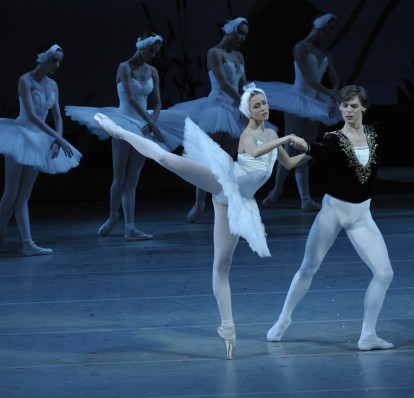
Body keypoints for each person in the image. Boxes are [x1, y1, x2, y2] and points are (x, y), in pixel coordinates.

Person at [92, 82, 310, 359]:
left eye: (264, 103)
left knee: (222, 267)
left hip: (234, 201)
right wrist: (288, 137)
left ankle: (228, 329)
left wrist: (317, 149)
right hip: (224, 179)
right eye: (256, 106)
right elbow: (255, 152)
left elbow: (289, 164)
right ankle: (120, 131)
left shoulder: (272, 134)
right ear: (248, 111)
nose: (263, 108)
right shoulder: (248, 136)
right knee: (166, 158)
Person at [267, 68, 414, 350]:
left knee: (385, 273)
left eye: (353, 105)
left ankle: (367, 335)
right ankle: (283, 319)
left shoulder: (376, 134)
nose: (347, 110)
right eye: (343, 105)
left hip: (361, 215)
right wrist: (292, 143)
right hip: (333, 212)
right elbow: (307, 155)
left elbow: (409, 109)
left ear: (364, 108)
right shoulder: (332, 139)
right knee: (309, 267)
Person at [65, 33, 182, 241]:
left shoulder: (153, 71)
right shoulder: (124, 67)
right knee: (119, 177)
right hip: (124, 122)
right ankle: (112, 216)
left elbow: (157, 103)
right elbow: (130, 99)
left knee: (133, 178)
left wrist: (151, 121)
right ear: (141, 47)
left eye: (156, 52)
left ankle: (130, 228)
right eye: (151, 51)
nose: (154, 56)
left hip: (144, 125)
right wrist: (152, 123)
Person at [164, 17, 250, 223]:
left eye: (245, 34)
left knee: (228, 160)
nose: (243, 38)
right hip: (214, 108)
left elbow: (243, 85)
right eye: (240, 33)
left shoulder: (239, 56)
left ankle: (224, 203)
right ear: (229, 31)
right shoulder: (214, 53)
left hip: (233, 110)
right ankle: (199, 202)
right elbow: (223, 83)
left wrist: (248, 102)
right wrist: (242, 103)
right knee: (208, 160)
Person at [0, 44, 81, 256]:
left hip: (39, 140)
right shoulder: (25, 80)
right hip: (20, 135)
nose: (57, 65)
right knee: (10, 193)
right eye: (54, 60)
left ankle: (27, 243)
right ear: (42, 58)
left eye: (59, 60)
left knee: (24, 196)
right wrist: (57, 137)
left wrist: (58, 139)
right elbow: (32, 116)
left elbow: (57, 117)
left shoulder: (53, 84)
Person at [259, 12, 341, 211]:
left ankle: (305, 199)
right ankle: (277, 189)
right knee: (291, 147)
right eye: (329, 28)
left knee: (307, 149)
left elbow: (335, 80)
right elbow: (309, 80)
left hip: (314, 102)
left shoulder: (326, 54)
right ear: (319, 27)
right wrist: (330, 93)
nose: (331, 33)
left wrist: (332, 95)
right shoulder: (300, 48)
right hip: (297, 99)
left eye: (333, 29)